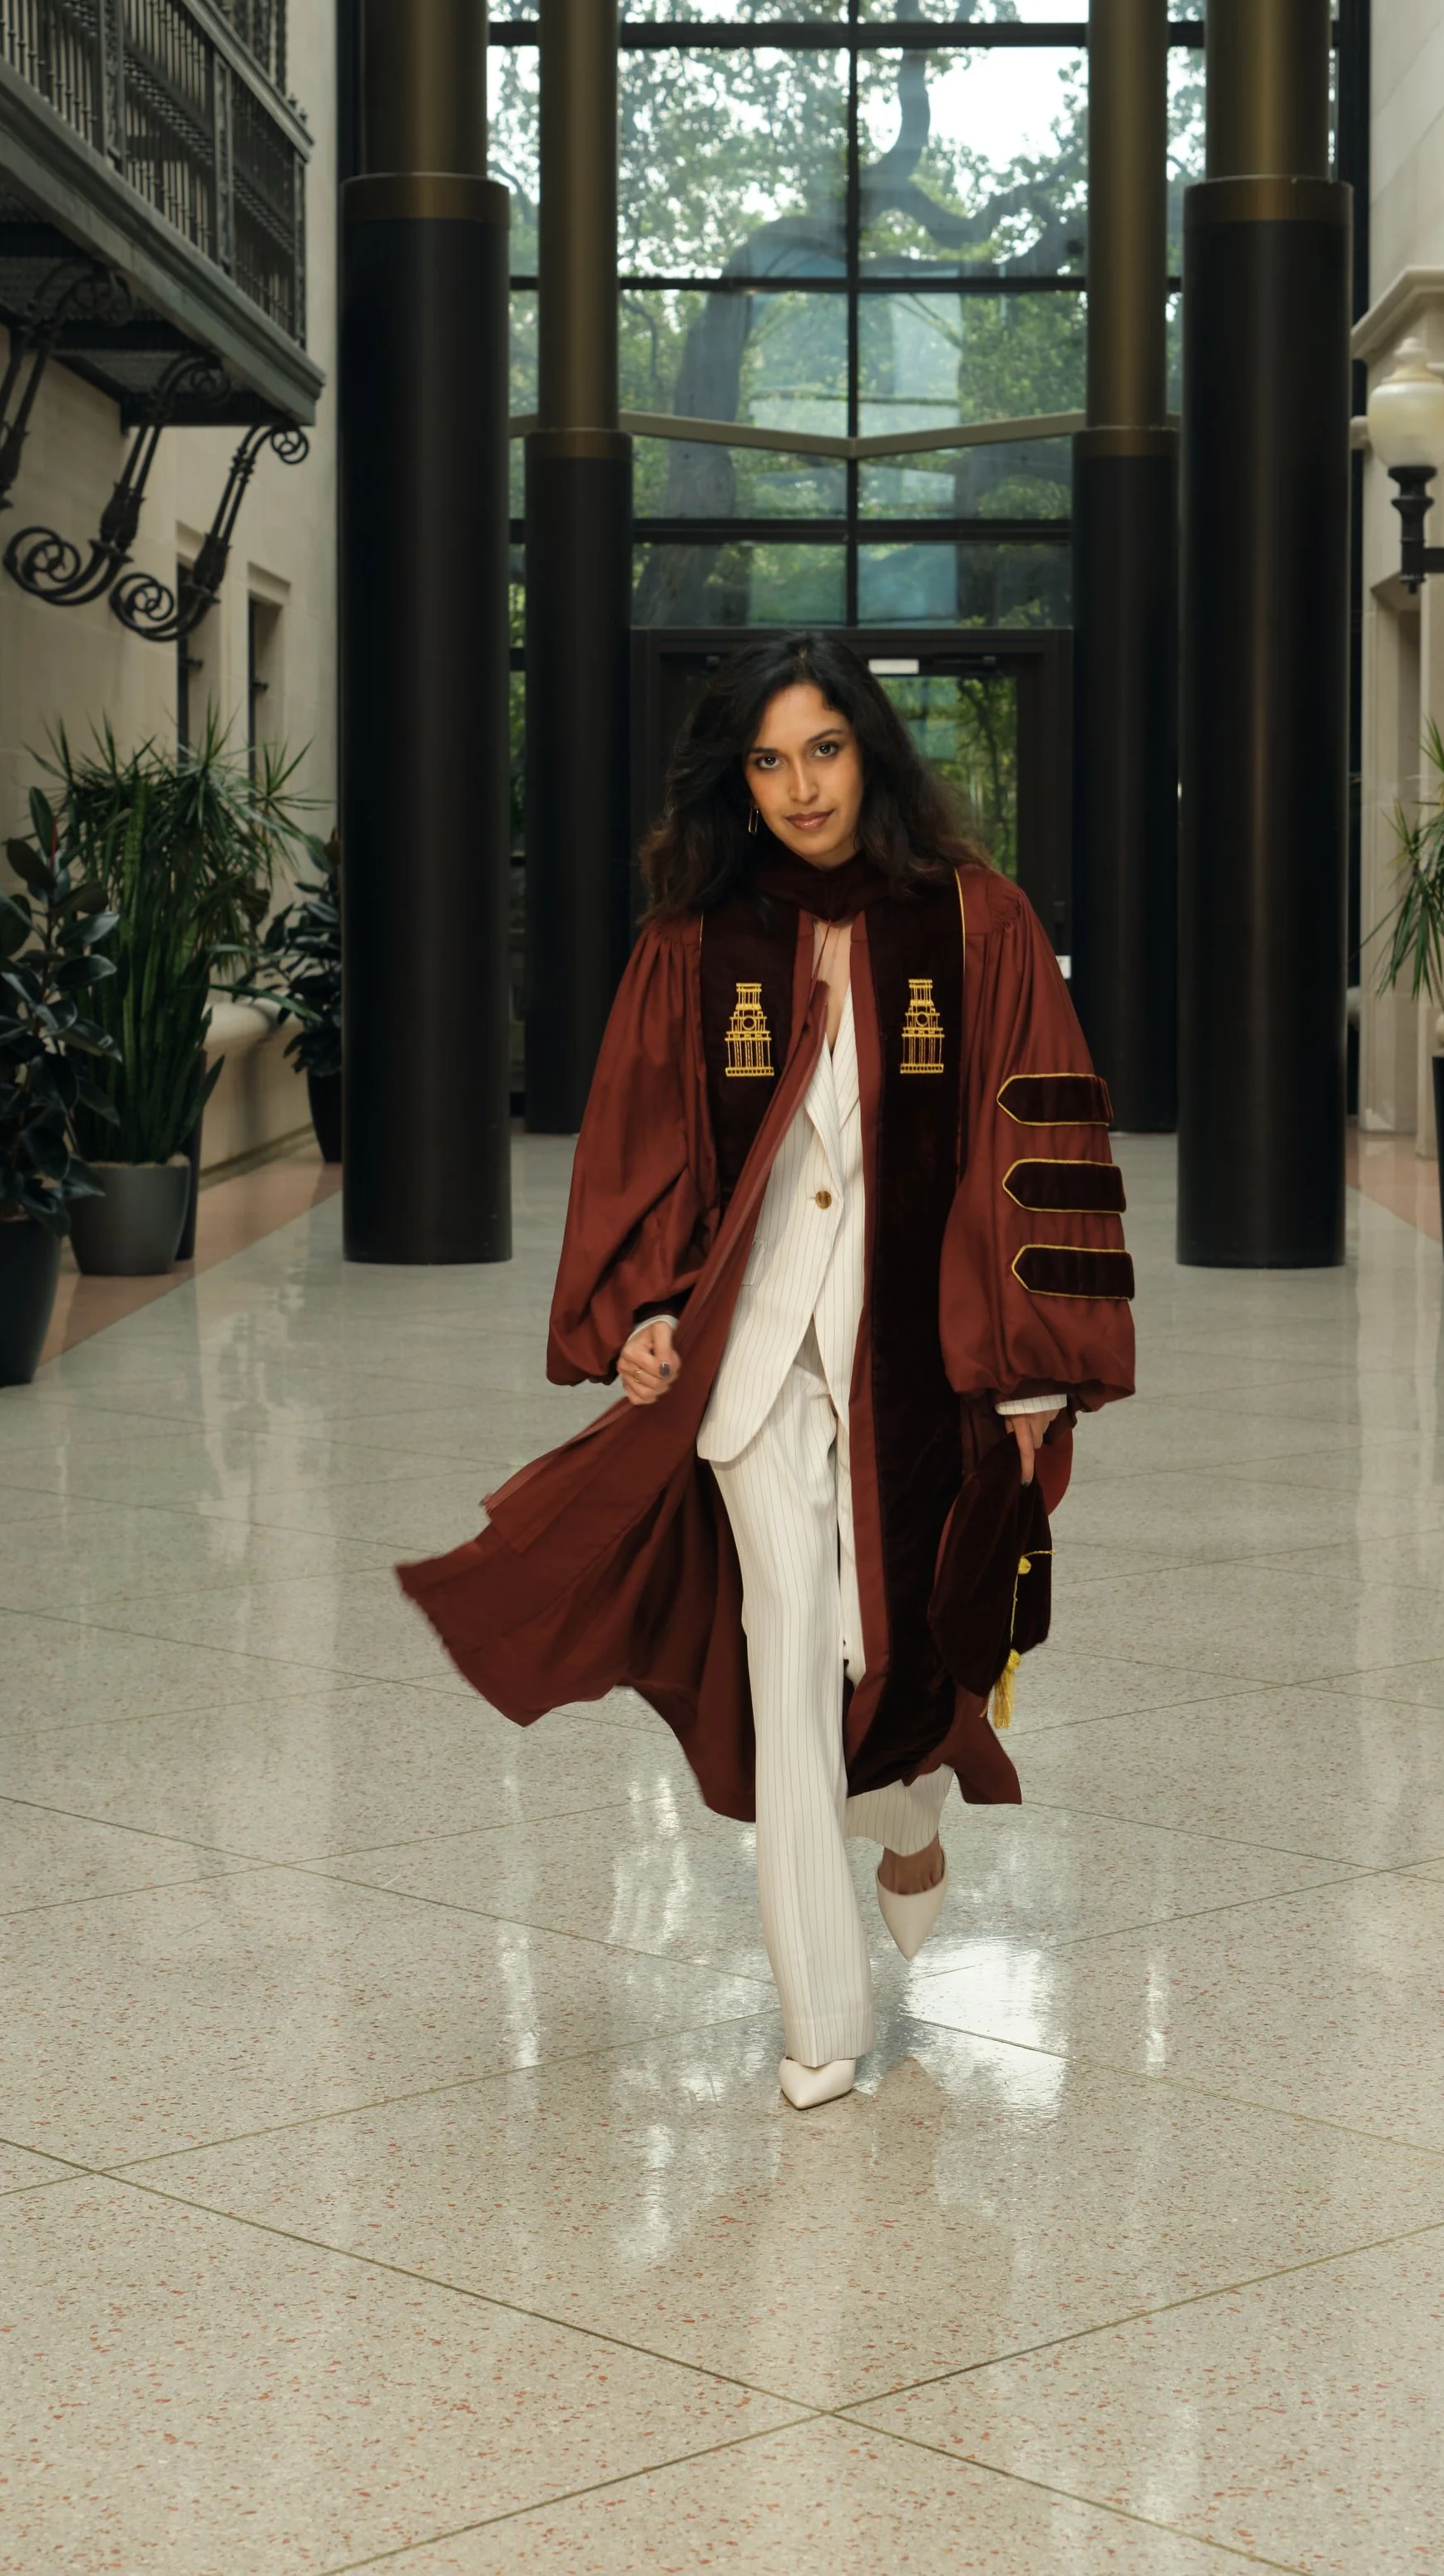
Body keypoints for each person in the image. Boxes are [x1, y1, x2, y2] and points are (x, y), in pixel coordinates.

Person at [398, 637, 1135, 2109]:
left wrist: (1034, 1369)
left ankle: (912, 1813)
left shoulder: (977, 921)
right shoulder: (697, 941)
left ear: (873, 752)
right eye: (769, 759)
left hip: (922, 1348)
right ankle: (822, 2013)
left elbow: (1033, 1131)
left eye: (825, 750)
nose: (801, 787)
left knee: (898, 1636)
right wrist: (643, 1311)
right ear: (738, 779)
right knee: (789, 1636)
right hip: (753, 1357)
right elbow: (645, 1147)